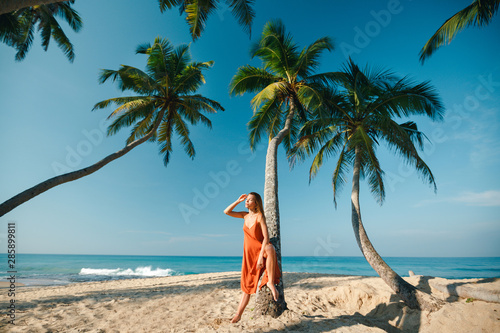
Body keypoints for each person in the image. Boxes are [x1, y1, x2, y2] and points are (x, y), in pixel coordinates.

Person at [224, 192, 281, 323]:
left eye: (250, 200)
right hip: (248, 254)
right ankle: (238, 314)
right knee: (247, 287)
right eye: (247, 200)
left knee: (270, 248)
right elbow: (226, 211)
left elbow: (266, 237)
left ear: (256, 203)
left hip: (260, 249)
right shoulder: (244, 216)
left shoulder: (260, 216)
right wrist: (238, 201)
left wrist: (261, 256)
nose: (247, 202)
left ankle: (271, 282)